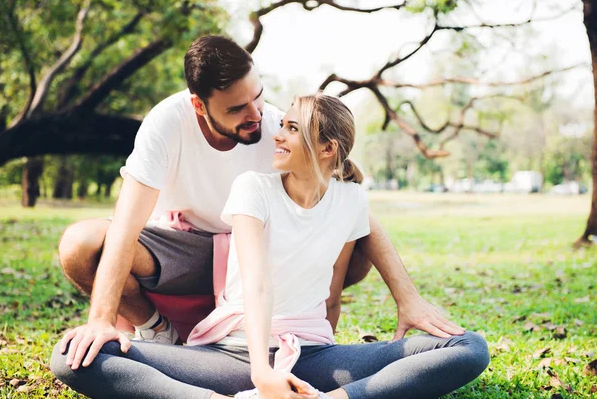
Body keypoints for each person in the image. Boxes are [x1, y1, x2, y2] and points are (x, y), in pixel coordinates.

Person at [55, 34, 464, 372]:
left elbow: (353, 209)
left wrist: (408, 298)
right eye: (236, 108)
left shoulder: (276, 128)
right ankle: (156, 331)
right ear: (199, 104)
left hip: (260, 254)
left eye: (259, 97)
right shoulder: (166, 124)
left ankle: (313, 349)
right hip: (187, 251)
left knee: (357, 246)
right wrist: (100, 321)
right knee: (80, 244)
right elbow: (125, 226)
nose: (256, 114)